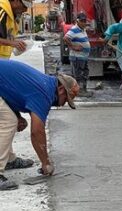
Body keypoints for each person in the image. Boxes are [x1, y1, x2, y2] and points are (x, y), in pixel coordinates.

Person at [0, 59, 79, 190]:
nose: (63, 103)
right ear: (61, 89)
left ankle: (9, 159)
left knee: (10, 118)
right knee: (9, 121)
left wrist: (18, 116)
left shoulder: (44, 84)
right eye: (66, 99)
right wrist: (46, 162)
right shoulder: (44, 93)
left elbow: (10, 90)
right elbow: (37, 132)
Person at [0, 0, 35, 172]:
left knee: (5, 119)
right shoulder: (2, 10)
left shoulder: (11, 15)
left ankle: (8, 158)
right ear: (14, 1)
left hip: (2, 68)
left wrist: (14, 44)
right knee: (8, 119)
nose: (24, 9)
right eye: (22, 4)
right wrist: (12, 43)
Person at [63, 12, 93, 97]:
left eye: (84, 21)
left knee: (84, 73)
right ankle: (79, 91)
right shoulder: (74, 29)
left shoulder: (82, 29)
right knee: (78, 74)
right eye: (82, 21)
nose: (84, 22)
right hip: (77, 57)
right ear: (78, 21)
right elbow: (65, 38)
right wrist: (73, 46)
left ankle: (83, 90)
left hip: (83, 57)